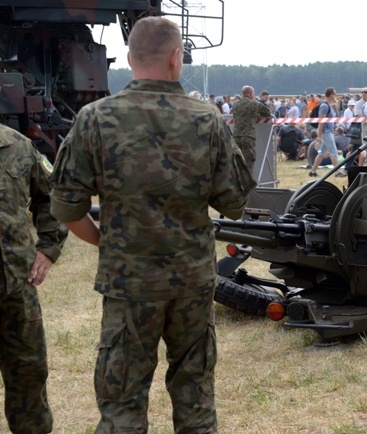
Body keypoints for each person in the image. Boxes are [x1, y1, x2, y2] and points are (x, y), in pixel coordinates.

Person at [49, 16, 256, 432]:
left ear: (129, 58)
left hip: (128, 285)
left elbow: (68, 210)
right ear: (176, 59)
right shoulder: (208, 119)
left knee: (122, 406)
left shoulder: (94, 118)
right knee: (195, 401)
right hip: (191, 283)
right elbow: (235, 203)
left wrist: (109, 244)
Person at [0, 123, 67, 433]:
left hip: (15, 286)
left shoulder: (17, 146)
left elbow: (52, 194)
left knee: (28, 370)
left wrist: (49, 247)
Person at [232, 84, 272, 170]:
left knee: (237, 161)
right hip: (248, 135)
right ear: (250, 94)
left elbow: (235, 115)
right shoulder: (255, 103)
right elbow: (267, 113)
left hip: (236, 135)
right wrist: (256, 117)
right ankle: (248, 181)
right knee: (248, 161)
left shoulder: (235, 104)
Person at [309, 87, 342, 177]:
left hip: (328, 131)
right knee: (334, 152)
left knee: (322, 153)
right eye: (335, 94)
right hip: (326, 132)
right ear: (331, 95)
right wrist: (319, 136)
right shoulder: (324, 106)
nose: (335, 96)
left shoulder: (328, 105)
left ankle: (312, 171)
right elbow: (321, 122)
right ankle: (337, 172)